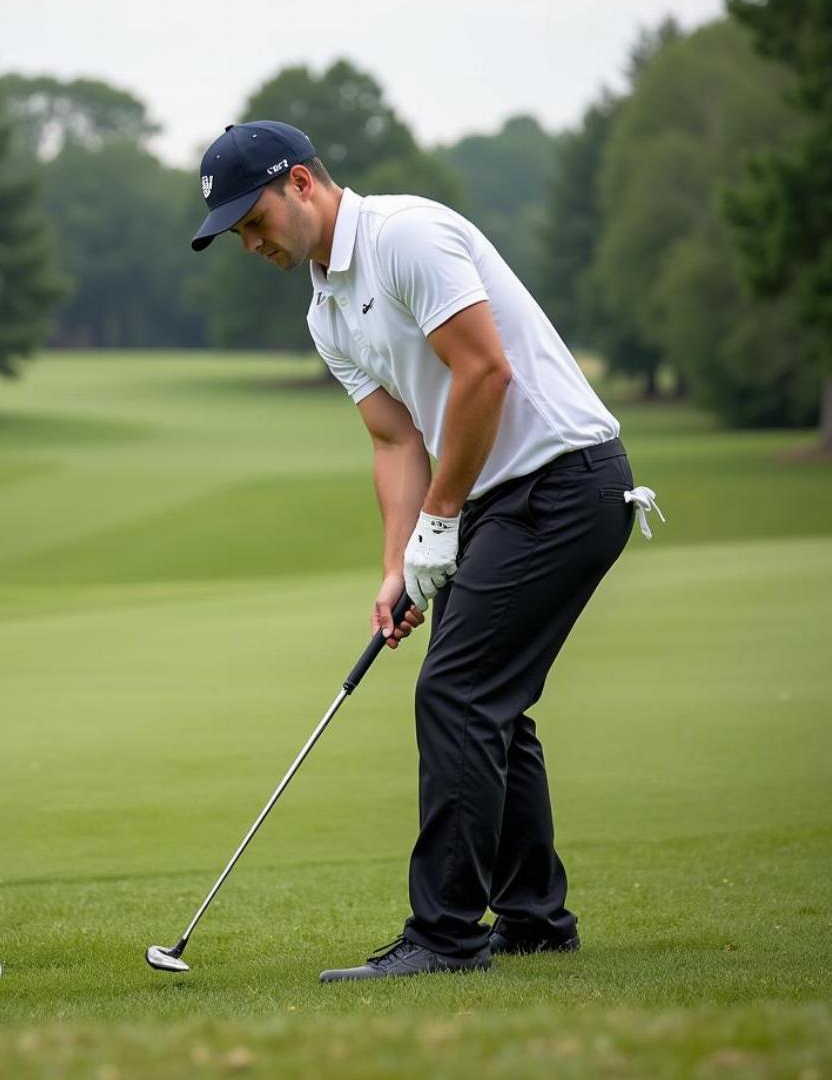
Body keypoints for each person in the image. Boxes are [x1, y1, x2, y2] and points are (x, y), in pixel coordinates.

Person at [191, 120, 663, 983]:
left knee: (457, 693)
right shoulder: (326, 309)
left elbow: (486, 373)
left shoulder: (406, 236)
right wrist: (399, 563)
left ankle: (445, 936)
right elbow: (395, 441)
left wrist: (441, 521)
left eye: (252, 220)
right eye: (236, 236)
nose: (250, 243)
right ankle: (534, 919)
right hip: (496, 496)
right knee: (488, 701)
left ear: (301, 183)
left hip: (564, 483)